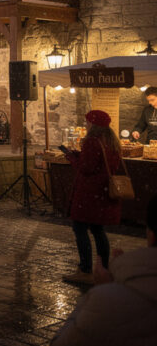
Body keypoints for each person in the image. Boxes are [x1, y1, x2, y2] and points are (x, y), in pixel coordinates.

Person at [50, 195, 157, 345]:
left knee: (88, 228)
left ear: (151, 236)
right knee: (96, 228)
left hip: (89, 199)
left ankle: (86, 268)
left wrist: (102, 291)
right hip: (95, 200)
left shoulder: (109, 301)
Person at [59, 110, 123, 285]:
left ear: (93, 125)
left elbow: (86, 168)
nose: (85, 125)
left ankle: (85, 269)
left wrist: (72, 158)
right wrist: (81, 156)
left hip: (89, 194)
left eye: (87, 122)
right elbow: (101, 163)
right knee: (97, 230)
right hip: (102, 192)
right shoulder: (111, 142)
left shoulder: (92, 141)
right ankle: (102, 268)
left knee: (80, 229)